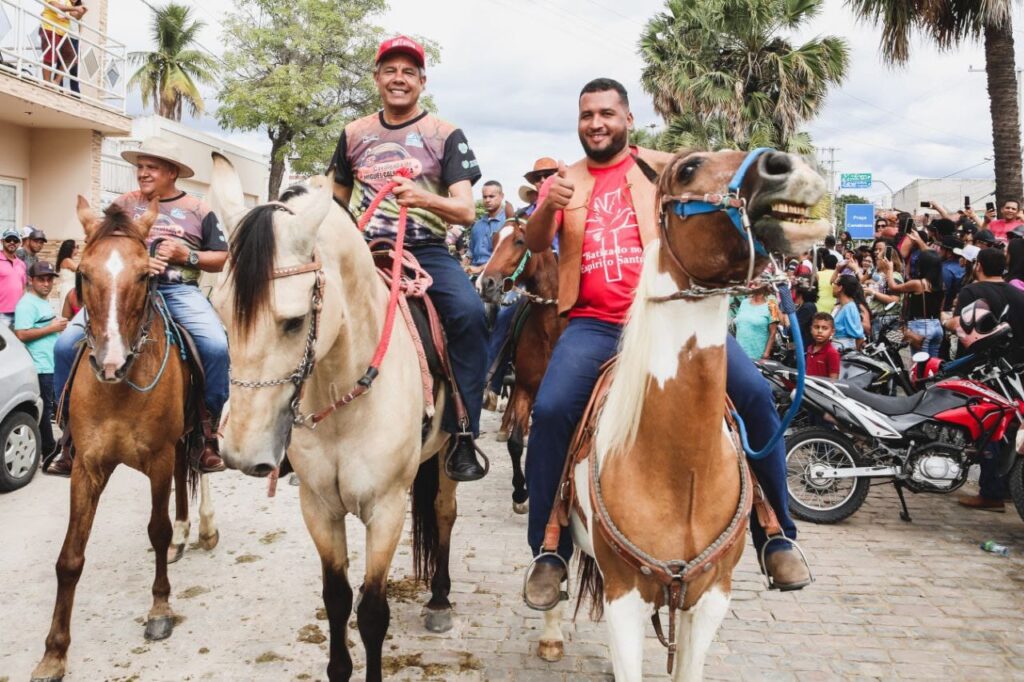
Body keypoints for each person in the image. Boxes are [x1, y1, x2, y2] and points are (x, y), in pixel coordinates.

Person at [521, 77, 810, 608]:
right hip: (595, 324)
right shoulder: (564, 181)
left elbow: (724, 201)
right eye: (587, 115)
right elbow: (536, 242)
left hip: (674, 318)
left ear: (627, 119)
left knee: (754, 397)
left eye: (607, 113)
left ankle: (775, 532)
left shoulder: (667, 167)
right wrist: (546, 207)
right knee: (554, 408)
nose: (596, 123)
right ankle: (549, 545)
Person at [330, 35, 487, 482]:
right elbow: (336, 201)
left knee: (471, 315)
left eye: (408, 72)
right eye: (390, 70)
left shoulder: (444, 134)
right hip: (366, 251)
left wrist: (420, 198)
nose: (399, 79)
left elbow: (465, 209)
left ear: (422, 80)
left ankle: (462, 433)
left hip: (426, 251)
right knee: (309, 306)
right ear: (377, 78)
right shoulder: (354, 134)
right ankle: (297, 430)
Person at [52, 136, 229, 476]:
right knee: (63, 345)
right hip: (120, 293)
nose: (143, 173)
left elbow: (220, 258)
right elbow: (100, 242)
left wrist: (185, 254)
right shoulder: (122, 204)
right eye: (140, 167)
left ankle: (207, 433)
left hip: (177, 291)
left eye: (152, 167)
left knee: (216, 346)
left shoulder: (199, 209)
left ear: (172, 172)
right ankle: (68, 435)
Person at [944, 248, 1024, 511]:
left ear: (978, 265)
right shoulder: (1018, 294)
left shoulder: (973, 292)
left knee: (987, 429)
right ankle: (1012, 487)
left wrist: (946, 321)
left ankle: (991, 492)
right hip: (1015, 372)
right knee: (1012, 430)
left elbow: (960, 324)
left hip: (984, 372)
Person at [13, 262, 68, 462]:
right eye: (41, 279)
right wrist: (52, 328)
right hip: (41, 366)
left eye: (49, 279)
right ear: (31, 280)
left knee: (55, 410)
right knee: (46, 411)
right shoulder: (27, 304)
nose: (46, 284)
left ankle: (55, 448)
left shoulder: (42, 302)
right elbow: (22, 333)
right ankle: (48, 450)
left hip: (52, 364)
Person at [882, 249, 945, 357]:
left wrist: (889, 269)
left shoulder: (918, 284)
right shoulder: (941, 285)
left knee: (919, 366)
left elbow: (893, 287)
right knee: (932, 366)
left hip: (921, 327)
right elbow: (940, 309)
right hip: (937, 327)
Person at [465, 181, 507, 274]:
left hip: (497, 276)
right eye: (485, 197)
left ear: (501, 196)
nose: (487, 200)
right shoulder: (477, 225)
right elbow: (470, 253)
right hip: (474, 274)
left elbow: (507, 256)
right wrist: (463, 267)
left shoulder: (508, 224)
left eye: (491, 196)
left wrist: (480, 268)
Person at [733, 289, 780, 360]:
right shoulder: (744, 302)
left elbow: (773, 333)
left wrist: (766, 354)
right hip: (738, 353)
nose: (752, 285)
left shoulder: (772, 305)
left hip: (757, 357)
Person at [39, 1, 77, 85]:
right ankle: (46, 83)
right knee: (49, 56)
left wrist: (82, 11)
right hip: (50, 28)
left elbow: (75, 15)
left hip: (62, 33)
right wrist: (75, 8)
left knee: (71, 57)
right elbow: (55, 5)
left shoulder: (68, 2)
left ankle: (56, 81)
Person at [832, 274, 867, 351]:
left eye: (834, 283)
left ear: (840, 288)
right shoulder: (840, 307)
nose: (832, 286)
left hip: (844, 352)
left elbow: (859, 336)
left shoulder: (850, 308)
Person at [0, 229, 28, 328]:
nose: (12, 242)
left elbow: (23, 288)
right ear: (2, 241)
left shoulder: (21, 264)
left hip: (18, 313)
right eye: (9, 239)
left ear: (19, 243)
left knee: (17, 342)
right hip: (1, 314)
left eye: (15, 240)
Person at [805, 312, 840, 380]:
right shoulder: (810, 348)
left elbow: (834, 381)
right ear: (811, 329)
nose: (820, 331)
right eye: (816, 327)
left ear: (832, 332)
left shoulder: (832, 353)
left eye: (825, 328)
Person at [55, 239, 78, 305]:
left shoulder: (68, 260)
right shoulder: (67, 261)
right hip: (68, 289)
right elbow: (81, 270)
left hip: (70, 288)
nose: (77, 249)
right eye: (76, 247)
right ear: (71, 249)